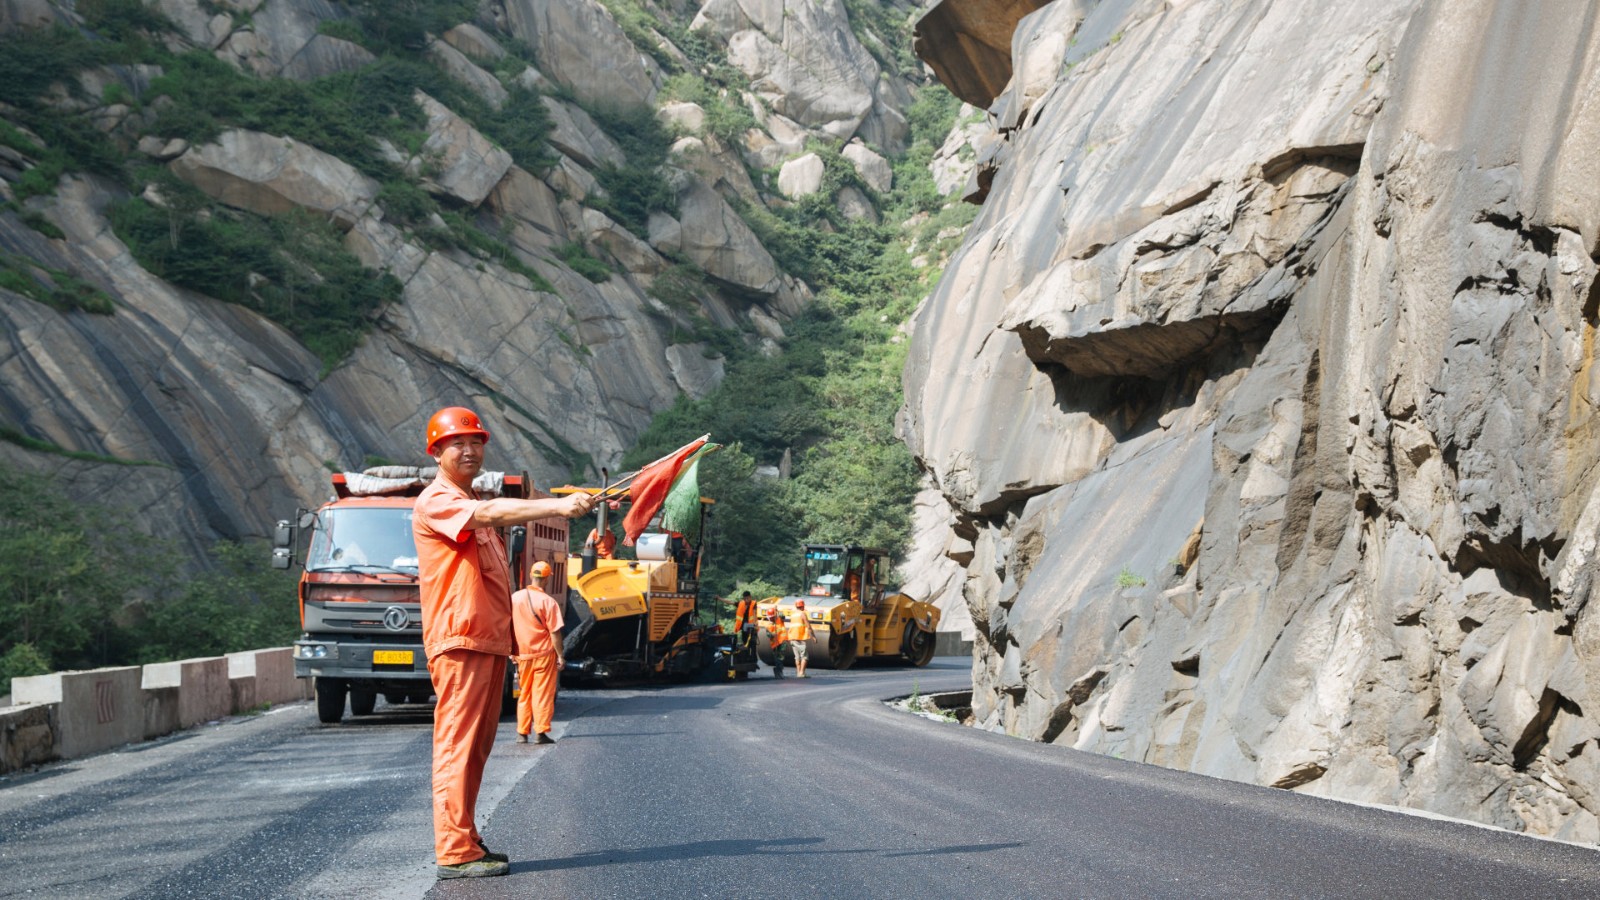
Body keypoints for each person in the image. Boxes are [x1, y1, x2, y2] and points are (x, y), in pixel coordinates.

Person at [412, 406, 595, 880]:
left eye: (476, 442)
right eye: (458, 444)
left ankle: (465, 840)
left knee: (476, 746)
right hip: (462, 642)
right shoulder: (440, 500)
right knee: (458, 744)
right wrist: (556, 506)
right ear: (436, 452)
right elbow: (490, 511)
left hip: (488, 643)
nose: (470, 450)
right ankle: (454, 849)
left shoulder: (470, 502)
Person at [512, 560, 564, 745]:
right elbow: (555, 632)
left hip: (522, 655)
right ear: (547, 579)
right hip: (543, 655)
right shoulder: (549, 602)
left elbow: (507, 626)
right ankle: (540, 732)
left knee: (524, 693)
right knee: (541, 694)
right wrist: (560, 655)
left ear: (532, 576)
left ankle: (521, 733)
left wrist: (511, 651)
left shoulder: (515, 598)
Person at [787, 599, 813, 678]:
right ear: (802, 606)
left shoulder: (793, 615)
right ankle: (802, 673)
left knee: (797, 656)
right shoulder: (802, 614)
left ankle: (798, 673)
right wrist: (813, 636)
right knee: (804, 656)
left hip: (792, 637)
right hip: (800, 638)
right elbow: (808, 626)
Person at [762, 609, 787, 679]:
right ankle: (778, 671)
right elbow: (768, 635)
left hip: (782, 641)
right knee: (777, 659)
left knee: (781, 657)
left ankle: (780, 671)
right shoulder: (768, 626)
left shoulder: (779, 619)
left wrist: (778, 612)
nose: (771, 618)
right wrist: (772, 634)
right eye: (770, 617)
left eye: (773, 617)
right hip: (774, 644)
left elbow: (783, 616)